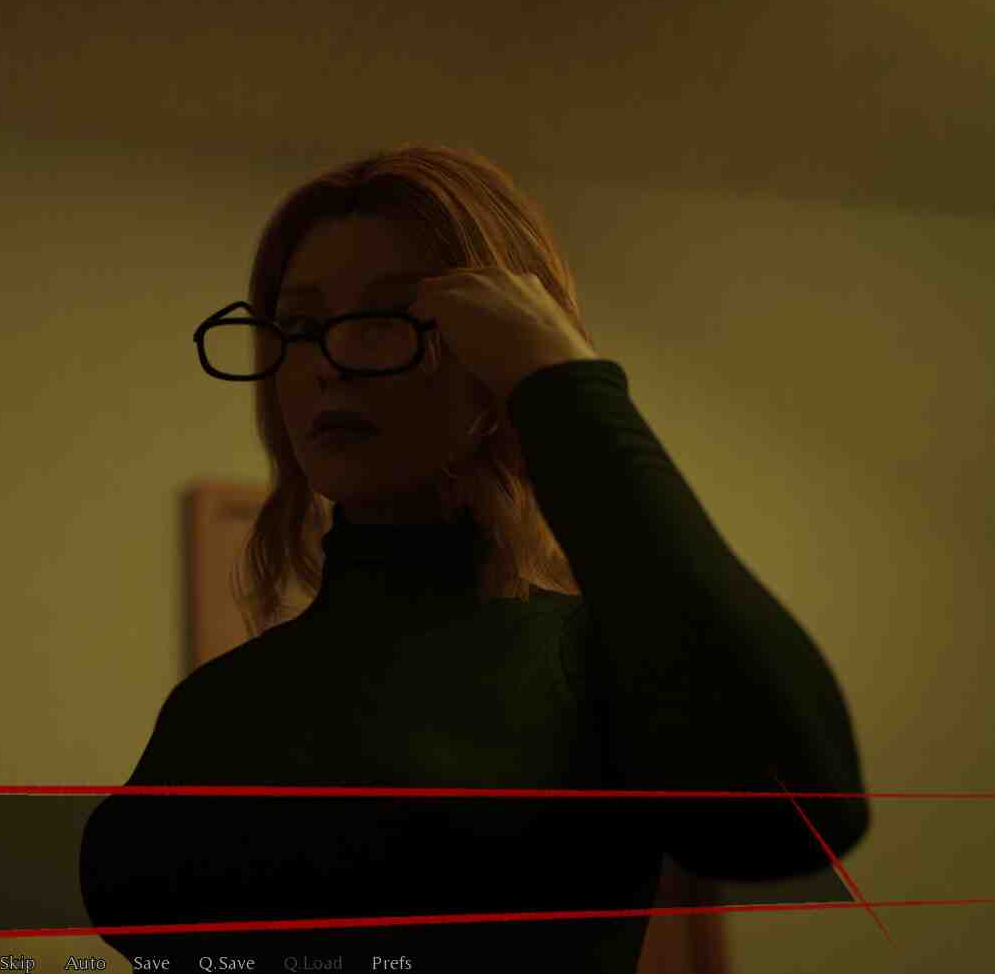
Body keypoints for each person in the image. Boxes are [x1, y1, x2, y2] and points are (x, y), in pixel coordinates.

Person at [77, 144, 870, 972]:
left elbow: (798, 819)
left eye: (389, 315)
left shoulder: (594, 663)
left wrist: (567, 384)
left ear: (500, 349)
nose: (328, 363)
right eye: (300, 325)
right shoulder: (219, 704)